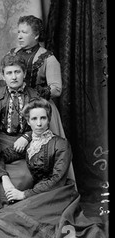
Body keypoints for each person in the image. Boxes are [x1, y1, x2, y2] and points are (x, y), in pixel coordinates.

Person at [0, 98, 107, 238]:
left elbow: (57, 179)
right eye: (34, 119)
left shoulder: (61, 144)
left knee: (8, 219)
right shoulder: (28, 143)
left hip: (58, 193)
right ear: (28, 121)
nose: (39, 123)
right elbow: (0, 156)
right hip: (37, 193)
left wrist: (24, 195)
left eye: (43, 118)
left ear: (49, 119)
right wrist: (5, 177)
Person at [7, 14, 76, 183]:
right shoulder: (13, 53)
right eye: (18, 32)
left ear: (36, 35)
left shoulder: (48, 58)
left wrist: (33, 93)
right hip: (15, 106)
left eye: (24, 32)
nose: (20, 36)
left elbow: (56, 89)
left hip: (41, 108)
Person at [0, 53, 39, 209]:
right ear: (3, 76)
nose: (13, 77)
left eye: (17, 72)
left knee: (25, 177)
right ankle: (4, 181)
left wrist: (27, 136)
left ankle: (18, 207)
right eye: (9, 73)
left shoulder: (34, 97)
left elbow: (41, 125)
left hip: (25, 142)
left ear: (24, 74)